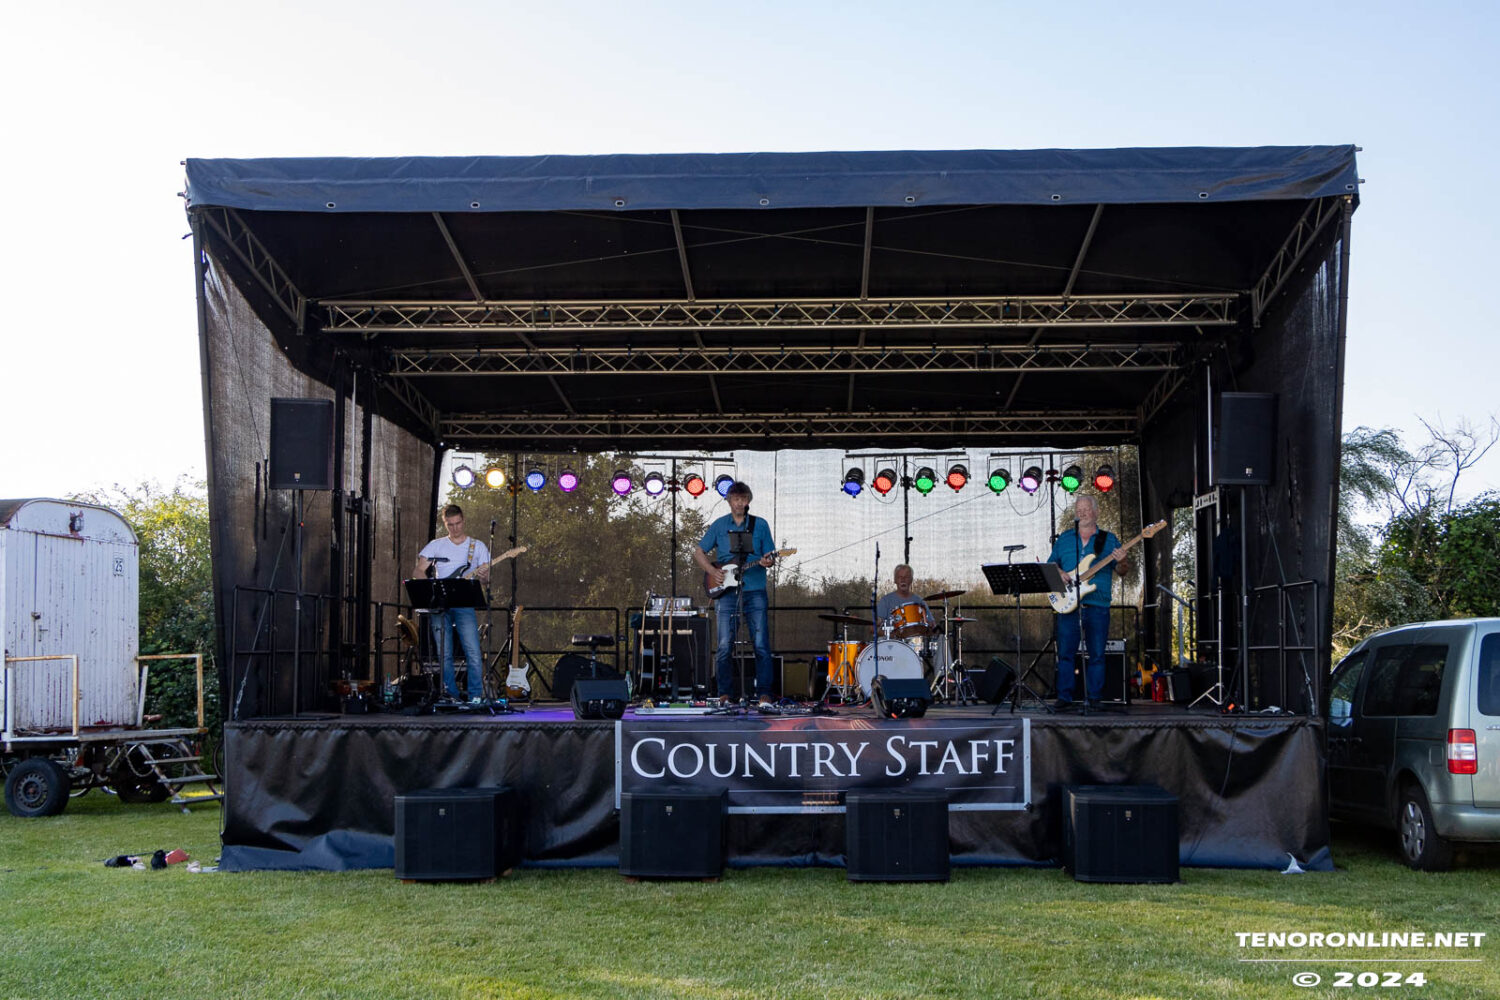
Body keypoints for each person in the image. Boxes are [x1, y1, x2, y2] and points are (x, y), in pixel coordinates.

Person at [692, 482, 778, 707]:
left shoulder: (760, 525)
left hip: (755, 590)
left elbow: (769, 553)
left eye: (743, 499)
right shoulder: (720, 525)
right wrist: (712, 571)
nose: (740, 503)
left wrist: (767, 560)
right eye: (736, 499)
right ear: (729, 501)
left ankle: (764, 694)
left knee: (760, 643)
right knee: (723, 645)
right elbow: (699, 551)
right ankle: (724, 694)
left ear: (748, 500)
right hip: (727, 593)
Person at [1049, 494, 1132, 711]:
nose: (1081, 513)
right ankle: (1064, 697)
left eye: (1086, 509)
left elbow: (1122, 571)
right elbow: (1050, 567)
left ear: (1096, 512)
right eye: (1078, 509)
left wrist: (1122, 560)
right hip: (1068, 603)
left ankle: (1095, 697)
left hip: (1098, 604)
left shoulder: (1109, 539)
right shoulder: (1065, 539)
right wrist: (1060, 573)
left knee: (1097, 654)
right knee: (1065, 653)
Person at [414, 504, 491, 702]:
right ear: (445, 523)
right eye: (450, 525)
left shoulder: (478, 546)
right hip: (440, 603)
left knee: (473, 650)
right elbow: (418, 571)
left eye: (458, 523)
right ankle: (450, 695)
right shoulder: (436, 545)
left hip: (464, 604)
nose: (455, 528)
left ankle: (475, 696)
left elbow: (486, 580)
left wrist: (483, 576)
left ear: (463, 520)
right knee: (443, 653)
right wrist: (428, 589)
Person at [876, 564, 935, 634]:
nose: (902, 580)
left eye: (906, 577)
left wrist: (931, 626)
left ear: (911, 580)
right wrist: (892, 635)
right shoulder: (885, 601)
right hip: (891, 643)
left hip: (914, 642)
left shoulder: (920, 602)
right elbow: (872, 629)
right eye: (899, 577)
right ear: (895, 580)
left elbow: (932, 626)